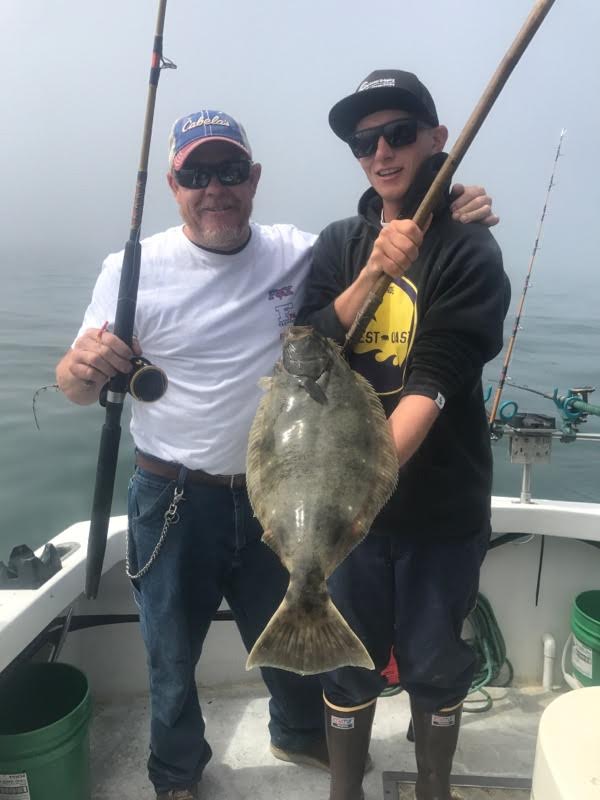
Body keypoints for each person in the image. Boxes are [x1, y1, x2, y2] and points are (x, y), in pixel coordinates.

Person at [55, 107, 499, 799]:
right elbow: (74, 385)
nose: (215, 189)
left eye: (230, 171)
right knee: (170, 653)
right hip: (173, 496)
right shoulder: (132, 270)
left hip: (278, 496)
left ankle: (296, 734)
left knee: (295, 635)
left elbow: (373, 251)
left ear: (253, 178)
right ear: (173, 185)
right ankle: (175, 774)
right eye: (196, 175)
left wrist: (452, 203)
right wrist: (76, 375)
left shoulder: (299, 249)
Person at [296, 70, 510, 800]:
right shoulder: (337, 244)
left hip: (439, 514)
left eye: (398, 134)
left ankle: (432, 791)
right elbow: (304, 351)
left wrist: (360, 490)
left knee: (432, 663)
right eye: (364, 141)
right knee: (346, 663)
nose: (381, 152)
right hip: (345, 519)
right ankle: (345, 792)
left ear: (436, 139)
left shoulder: (469, 251)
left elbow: (433, 383)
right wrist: (370, 273)